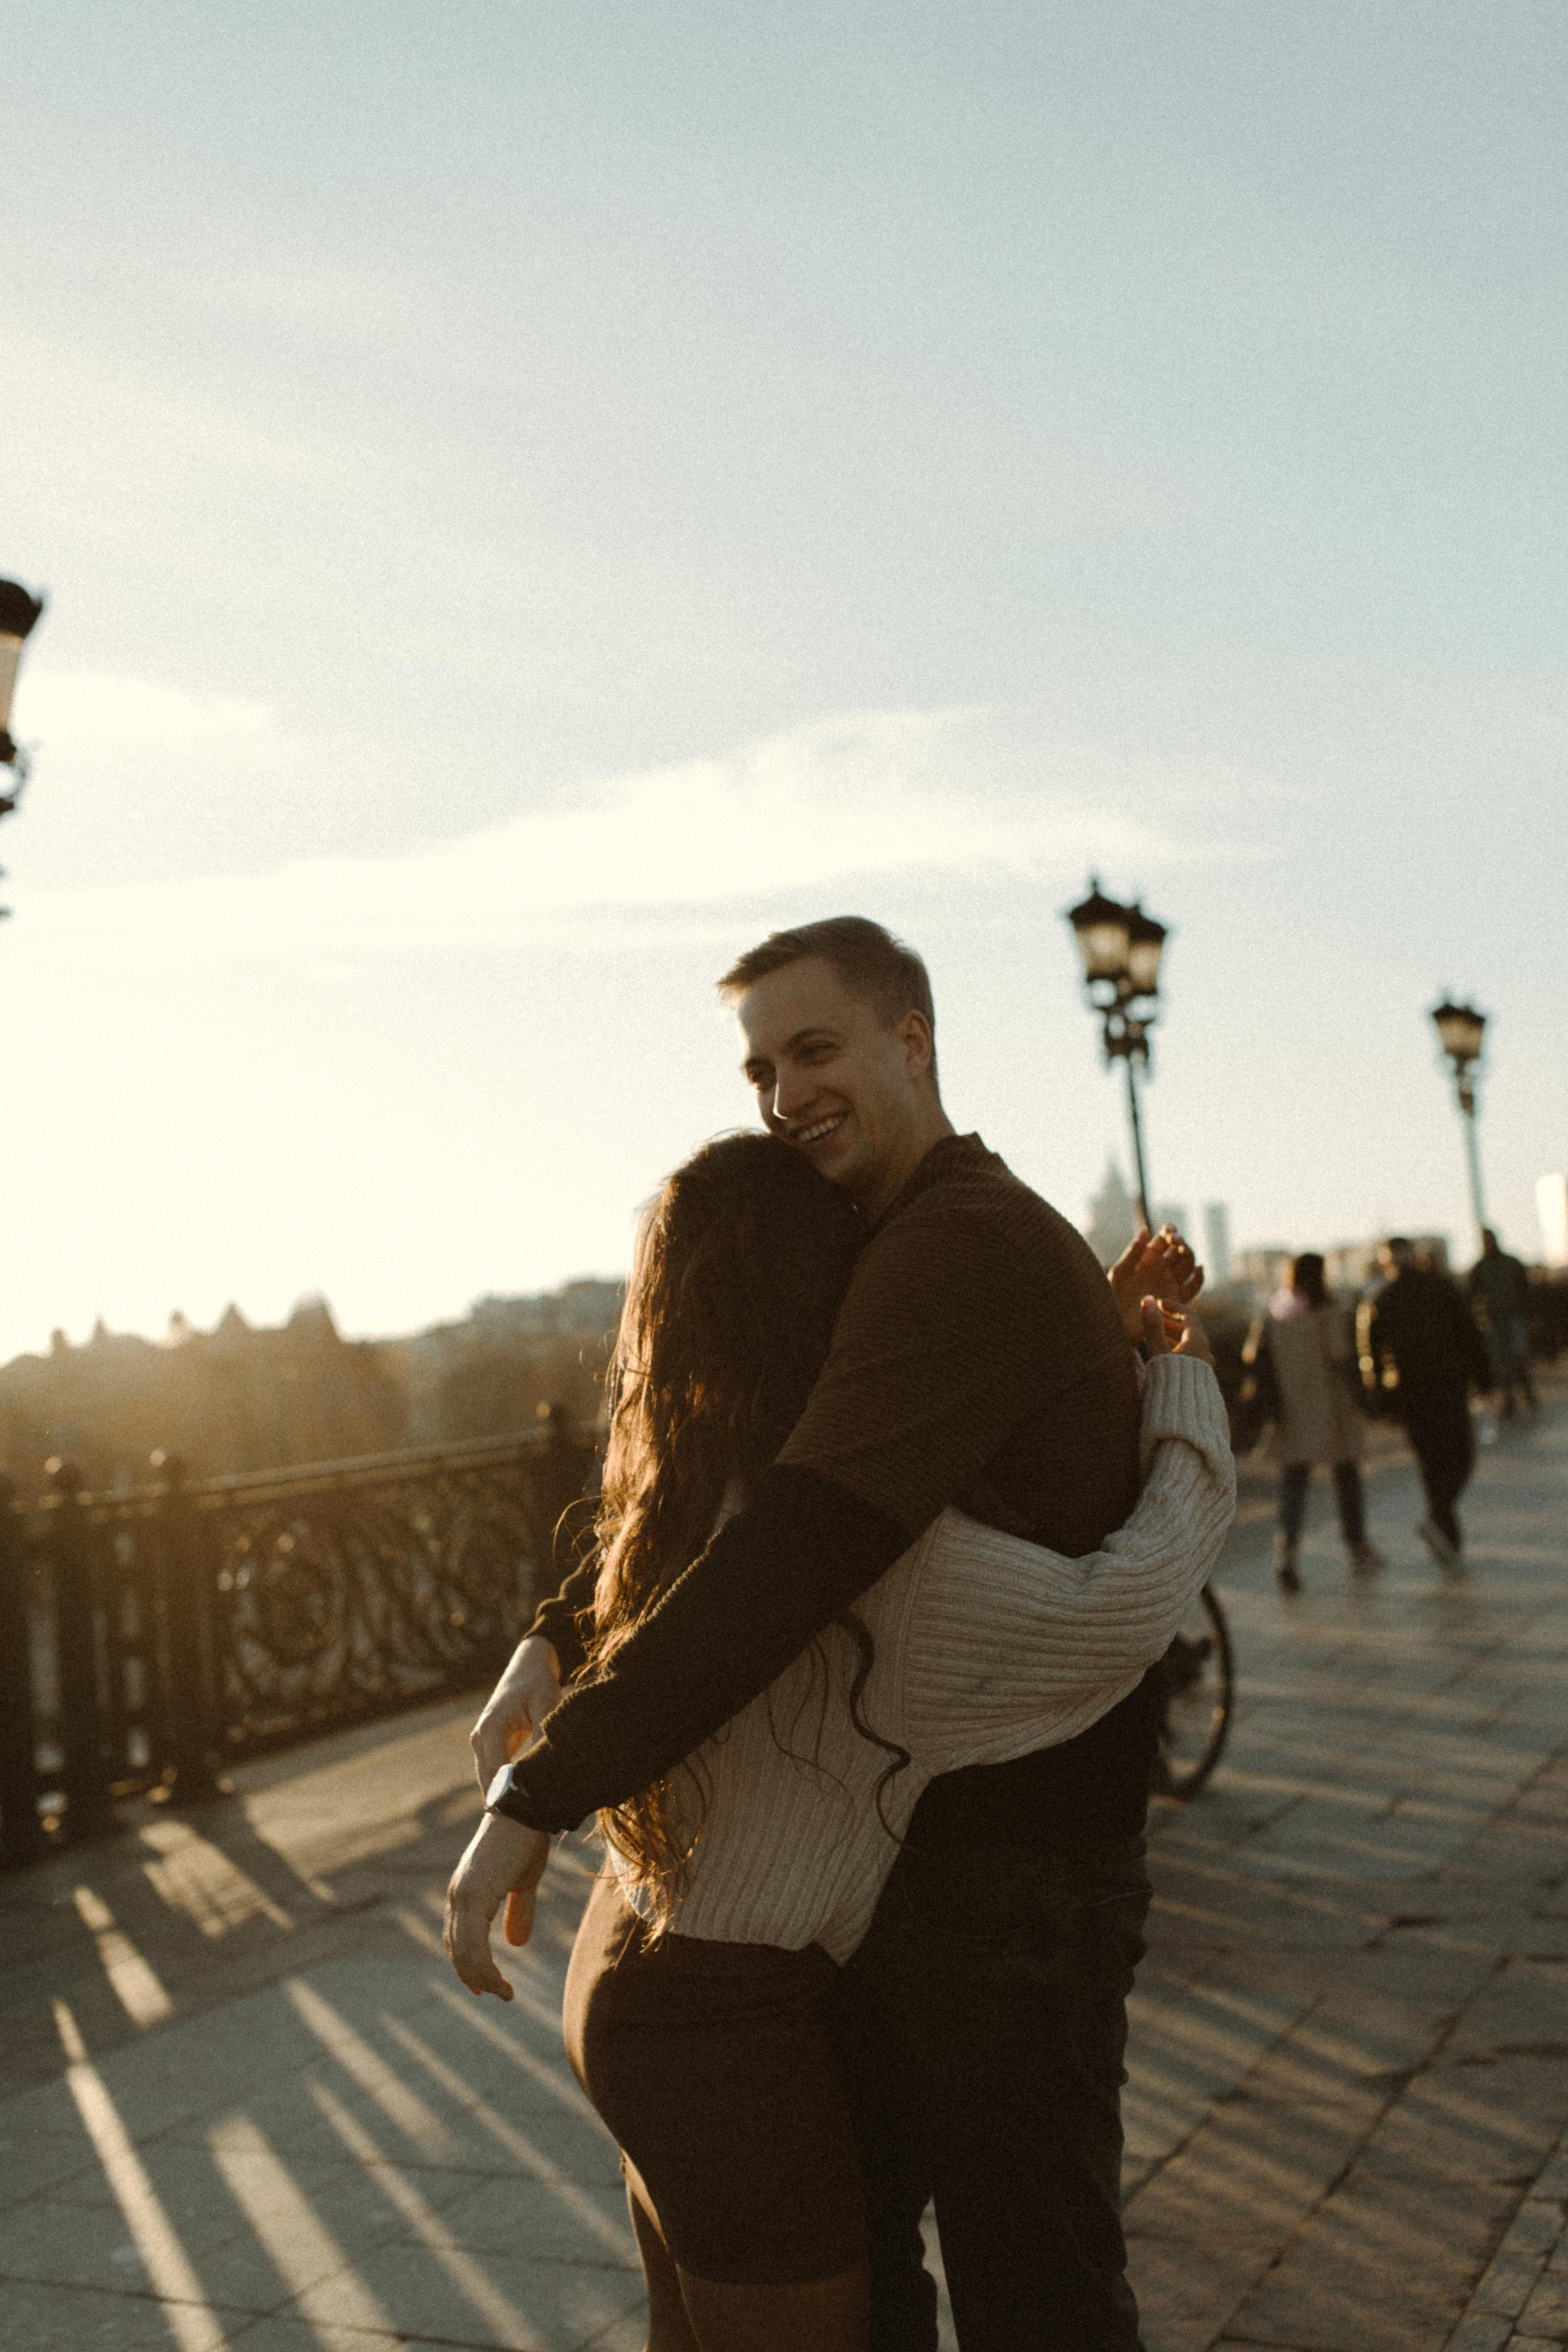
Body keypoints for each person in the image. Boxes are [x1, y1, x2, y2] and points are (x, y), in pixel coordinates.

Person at [448, 915, 1207, 2350]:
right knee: (901, 2275)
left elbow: (791, 1542)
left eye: (814, 1050)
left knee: (1028, 2284)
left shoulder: (952, 1243)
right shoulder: (894, 1234)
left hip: (1014, 1874)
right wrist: (552, 1635)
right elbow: (726, 1479)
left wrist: (544, 1783)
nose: (785, 1094)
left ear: (909, 1038)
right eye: (758, 1070)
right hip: (937, 1854)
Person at [1245, 1252, 1382, 1591]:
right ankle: (1357, 1547)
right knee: (1346, 1476)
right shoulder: (1327, 1310)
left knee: (1294, 1483)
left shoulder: (1275, 1312)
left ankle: (1286, 1555)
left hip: (1291, 1411)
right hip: (1329, 1407)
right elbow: (1340, 1352)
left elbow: (1251, 1354)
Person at [1360, 1237, 1493, 1567]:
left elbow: (1369, 1358)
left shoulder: (1380, 1298)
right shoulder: (1440, 1287)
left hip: (1410, 1393)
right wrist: (1485, 1380)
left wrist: (1381, 1402)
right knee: (1460, 1456)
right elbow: (1470, 1333)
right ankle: (1445, 1533)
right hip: (1446, 1385)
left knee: (1432, 1465)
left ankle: (1442, 1528)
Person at [1468, 1228, 1538, 1417]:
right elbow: (1472, 1295)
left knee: (1519, 1356)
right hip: (1493, 1319)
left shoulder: (1511, 1263)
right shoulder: (1481, 1268)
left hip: (1514, 1316)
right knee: (1500, 1361)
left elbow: (1525, 1290)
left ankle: (1527, 1391)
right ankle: (1509, 1399)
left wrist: (1529, 1316)